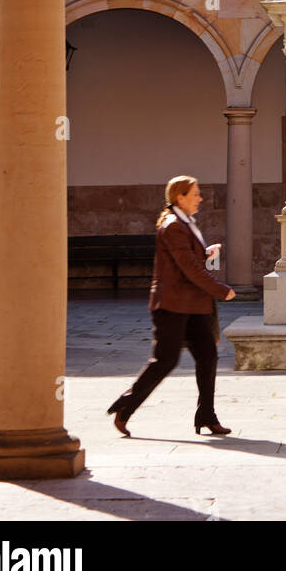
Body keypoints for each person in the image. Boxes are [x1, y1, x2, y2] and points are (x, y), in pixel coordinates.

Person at [107, 175, 236, 437]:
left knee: (208, 356)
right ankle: (125, 406)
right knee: (165, 361)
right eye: (196, 193)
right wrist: (223, 291)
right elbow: (188, 269)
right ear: (181, 197)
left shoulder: (183, 223)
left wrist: (204, 252)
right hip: (172, 305)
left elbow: (187, 259)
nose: (200, 198)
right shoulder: (173, 225)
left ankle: (206, 417)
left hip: (192, 305)